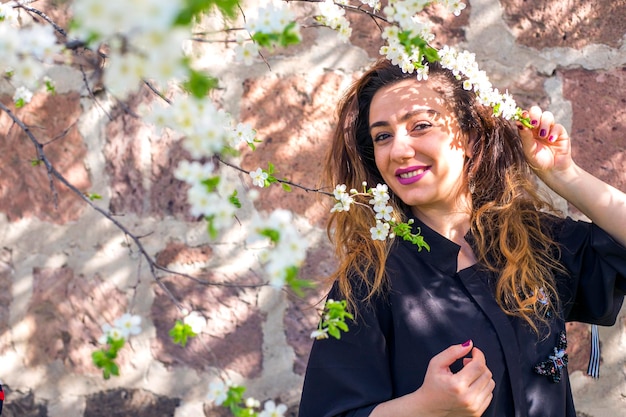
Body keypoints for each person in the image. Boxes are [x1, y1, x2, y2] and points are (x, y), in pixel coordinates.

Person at [298, 59, 626, 417]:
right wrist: (424, 408)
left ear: (469, 138)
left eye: (421, 126)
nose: (399, 150)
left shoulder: (533, 241)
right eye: (383, 136)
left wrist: (565, 174)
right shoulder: (368, 282)